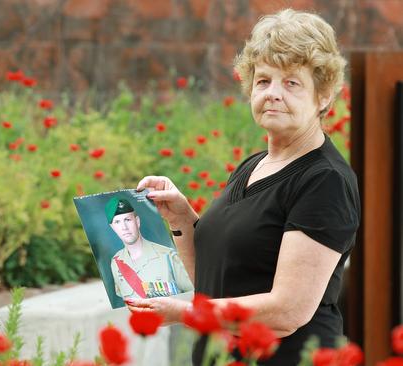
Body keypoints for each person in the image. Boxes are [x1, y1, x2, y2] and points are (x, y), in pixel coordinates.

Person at [126, 9, 361, 366]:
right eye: (263, 80)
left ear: (324, 96)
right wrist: (181, 219)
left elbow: (287, 311)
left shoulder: (324, 180)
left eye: (291, 83)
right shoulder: (253, 166)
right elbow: (215, 278)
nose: (273, 94)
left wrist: (183, 313)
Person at [106, 197, 193, 300]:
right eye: (117, 222)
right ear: (112, 227)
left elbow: (194, 294)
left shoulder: (168, 256)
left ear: (137, 222)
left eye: (127, 219)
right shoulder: (116, 263)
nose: (124, 227)